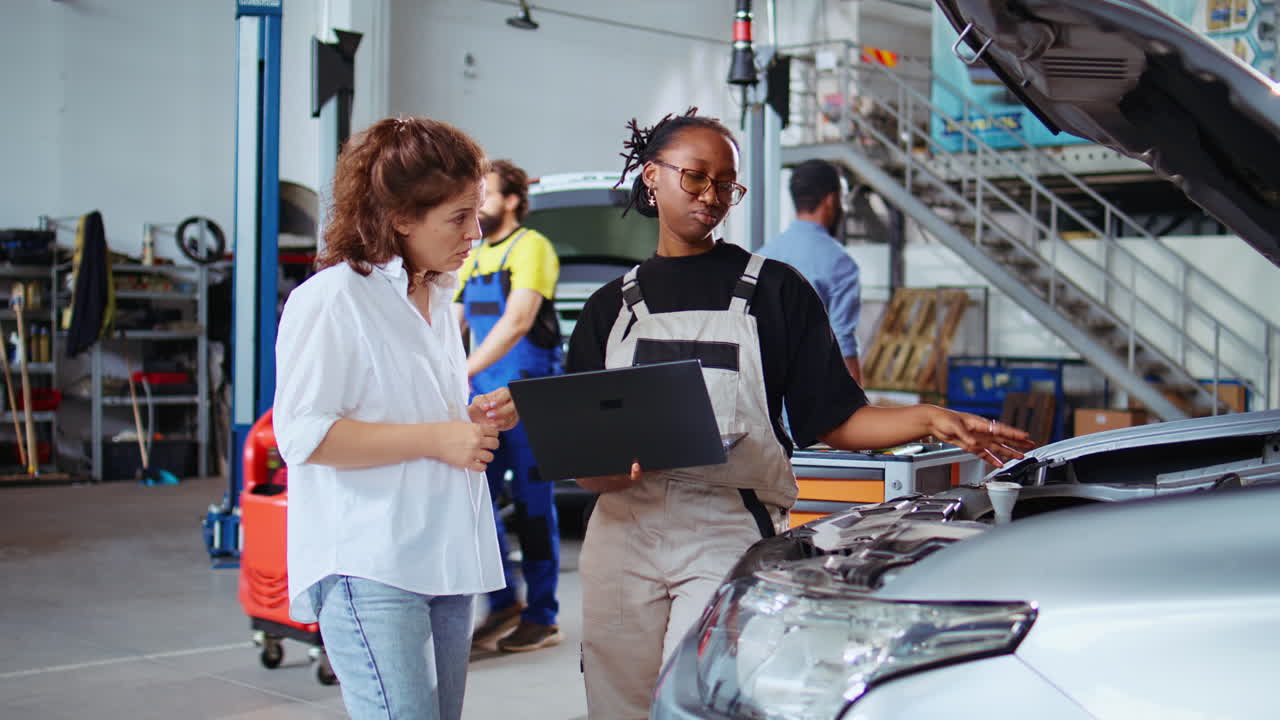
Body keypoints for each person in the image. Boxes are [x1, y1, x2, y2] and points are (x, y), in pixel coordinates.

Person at [564, 108, 1033, 719]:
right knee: (615, 703)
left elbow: (834, 420)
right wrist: (604, 470)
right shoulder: (610, 307)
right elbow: (585, 462)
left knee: (700, 698)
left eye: (726, 184)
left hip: (725, 527)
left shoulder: (775, 291)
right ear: (652, 177)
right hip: (622, 531)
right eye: (696, 178)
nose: (712, 196)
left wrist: (928, 418)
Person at [273, 115, 519, 720]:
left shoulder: (435, 296)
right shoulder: (332, 300)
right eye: (458, 217)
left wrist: (470, 418)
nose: (476, 232)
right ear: (400, 217)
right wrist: (438, 438)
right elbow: (302, 435)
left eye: (477, 212)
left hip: (442, 554)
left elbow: (402, 412)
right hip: (371, 564)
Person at [453, 159, 565, 653]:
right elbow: (451, 322)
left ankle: (542, 615)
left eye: (488, 194)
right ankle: (503, 603)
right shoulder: (474, 257)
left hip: (531, 400)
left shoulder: (532, 247)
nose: (479, 204)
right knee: (474, 505)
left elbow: (518, 320)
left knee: (533, 509)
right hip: (483, 404)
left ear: (513, 200)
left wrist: (465, 366)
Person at [758, 158, 864, 383]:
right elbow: (842, 340)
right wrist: (859, 402)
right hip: (812, 401)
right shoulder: (840, 262)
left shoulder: (761, 255)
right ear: (831, 200)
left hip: (763, 397)